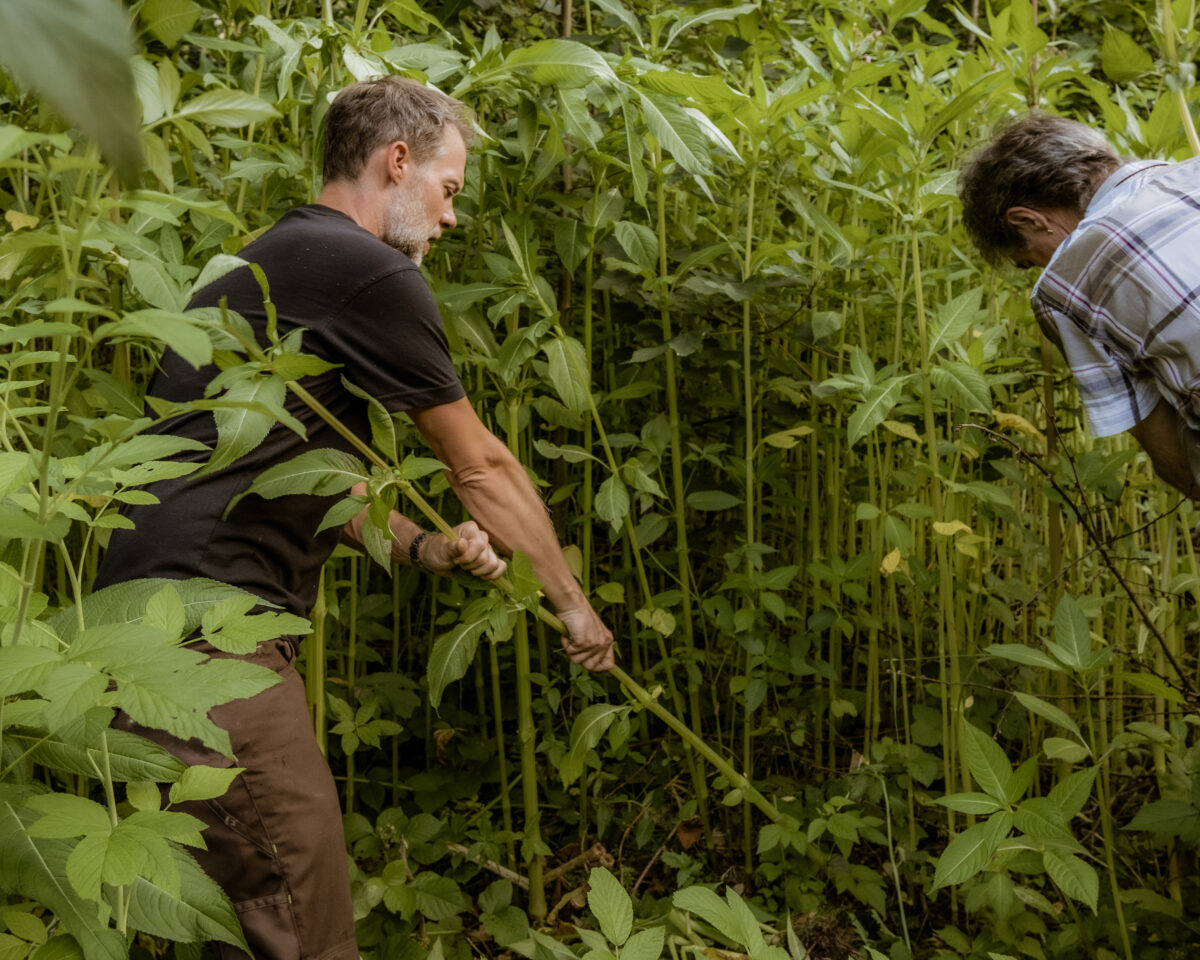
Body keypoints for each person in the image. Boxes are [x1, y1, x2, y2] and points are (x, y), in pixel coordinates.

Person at [94, 76, 614, 960]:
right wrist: (573, 606)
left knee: (246, 921)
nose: (451, 217)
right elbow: (480, 465)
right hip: (203, 635)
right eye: (449, 188)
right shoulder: (367, 268)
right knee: (302, 913)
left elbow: (289, 471)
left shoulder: (272, 263)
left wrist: (422, 545)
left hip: (140, 625)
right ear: (397, 161)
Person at [959, 112, 1200, 499]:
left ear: (1028, 219)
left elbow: (1179, 465)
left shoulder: (1064, 284)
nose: (1041, 269)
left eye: (1028, 261)